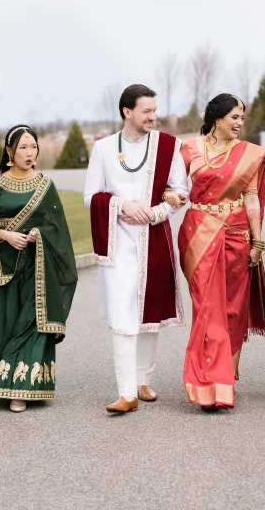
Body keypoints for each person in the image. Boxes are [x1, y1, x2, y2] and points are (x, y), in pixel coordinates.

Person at [83, 84, 189, 414]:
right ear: (127, 112)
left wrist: (157, 212)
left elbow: (181, 190)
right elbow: (91, 196)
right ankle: (126, 392)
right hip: (116, 242)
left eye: (154, 111)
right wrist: (122, 204)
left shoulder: (168, 146)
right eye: (146, 111)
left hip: (153, 239)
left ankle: (143, 378)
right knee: (122, 312)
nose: (153, 117)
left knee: (149, 310)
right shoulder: (102, 148)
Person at [0, 125, 78, 412]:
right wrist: (4, 235)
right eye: (23, 148)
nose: (30, 153)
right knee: (4, 323)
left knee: (29, 324)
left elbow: (57, 229)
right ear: (9, 152)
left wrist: (36, 236)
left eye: (33, 147)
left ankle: (23, 389)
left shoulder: (45, 184)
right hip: (2, 267)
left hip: (37, 269)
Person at [179, 93, 265, 410]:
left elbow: (251, 199)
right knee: (207, 306)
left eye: (242, 118)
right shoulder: (190, 148)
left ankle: (224, 377)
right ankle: (206, 379)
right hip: (198, 234)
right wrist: (168, 194)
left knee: (233, 307)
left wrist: (258, 242)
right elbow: (173, 185)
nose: (240, 124)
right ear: (217, 118)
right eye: (235, 117)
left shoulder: (247, 154)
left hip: (237, 235)